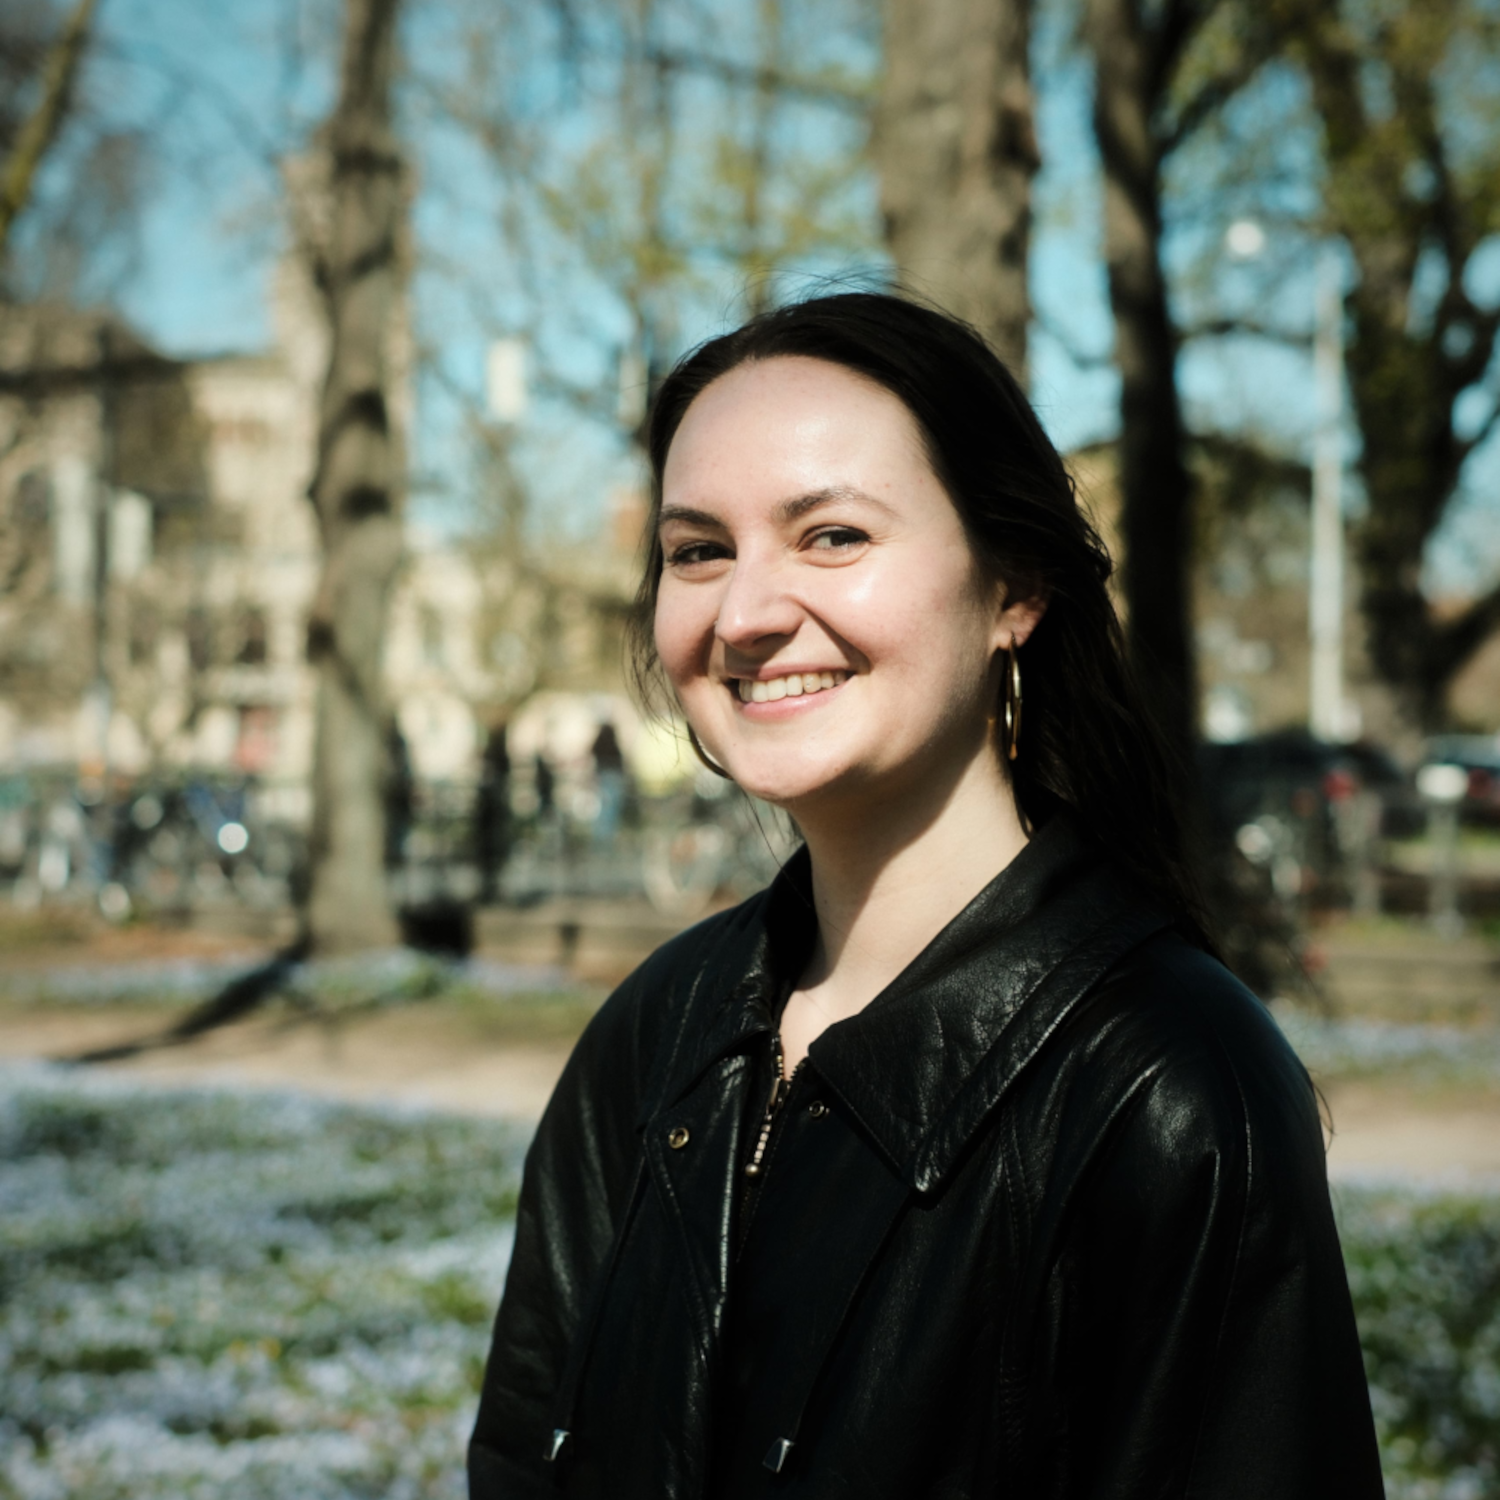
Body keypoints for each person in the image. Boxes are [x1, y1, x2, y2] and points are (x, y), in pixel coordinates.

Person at [468, 293, 1384, 1499]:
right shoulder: (656, 1035)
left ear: (1014, 589)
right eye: (698, 550)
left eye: (832, 535)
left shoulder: (1169, 1090)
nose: (745, 613)